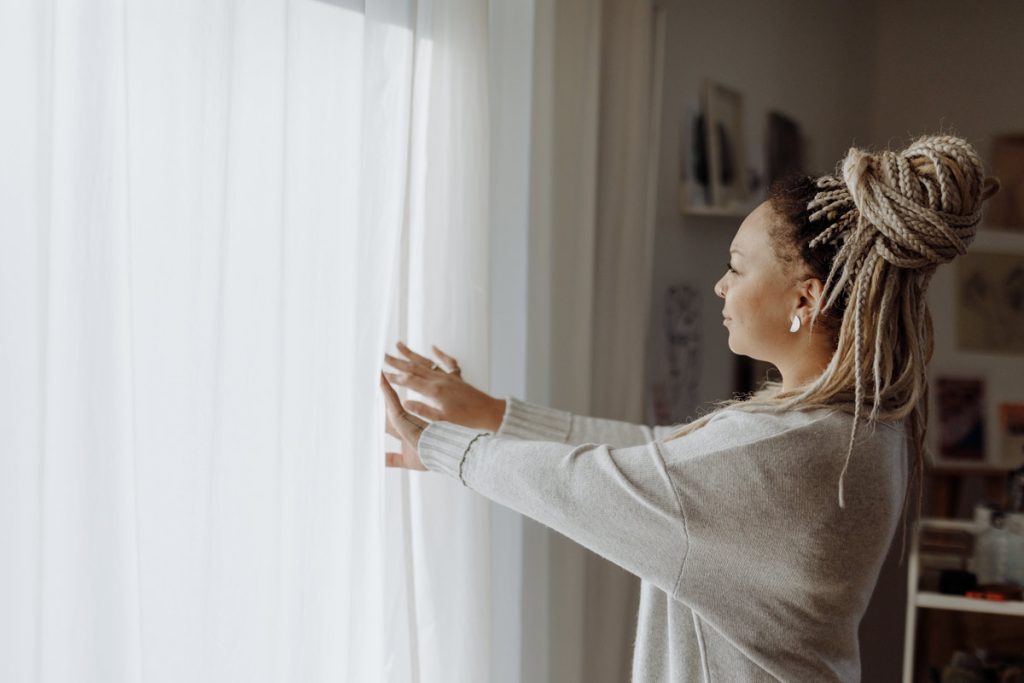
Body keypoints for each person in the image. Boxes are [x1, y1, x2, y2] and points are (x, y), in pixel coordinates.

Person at [379, 134, 1000, 682]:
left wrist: (440, 446)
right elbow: (663, 459)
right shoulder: (856, 423)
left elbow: (599, 484)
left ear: (806, 299)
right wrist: (490, 414)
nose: (720, 286)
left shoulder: (789, 449)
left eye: (736, 266)